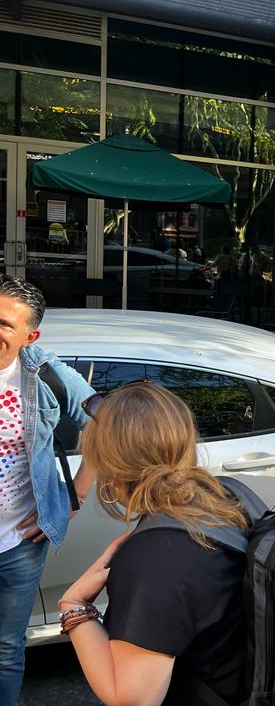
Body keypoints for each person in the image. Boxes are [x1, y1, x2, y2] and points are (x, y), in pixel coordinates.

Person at [60, 382, 248, 706]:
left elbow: (131, 698)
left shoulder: (156, 559)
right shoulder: (224, 494)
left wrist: (73, 604)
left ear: (108, 464)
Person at [0, 275, 95, 706]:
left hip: (18, 545)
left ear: (28, 335)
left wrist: (73, 498)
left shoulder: (46, 376)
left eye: (3, 324)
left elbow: (107, 426)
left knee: (5, 650)